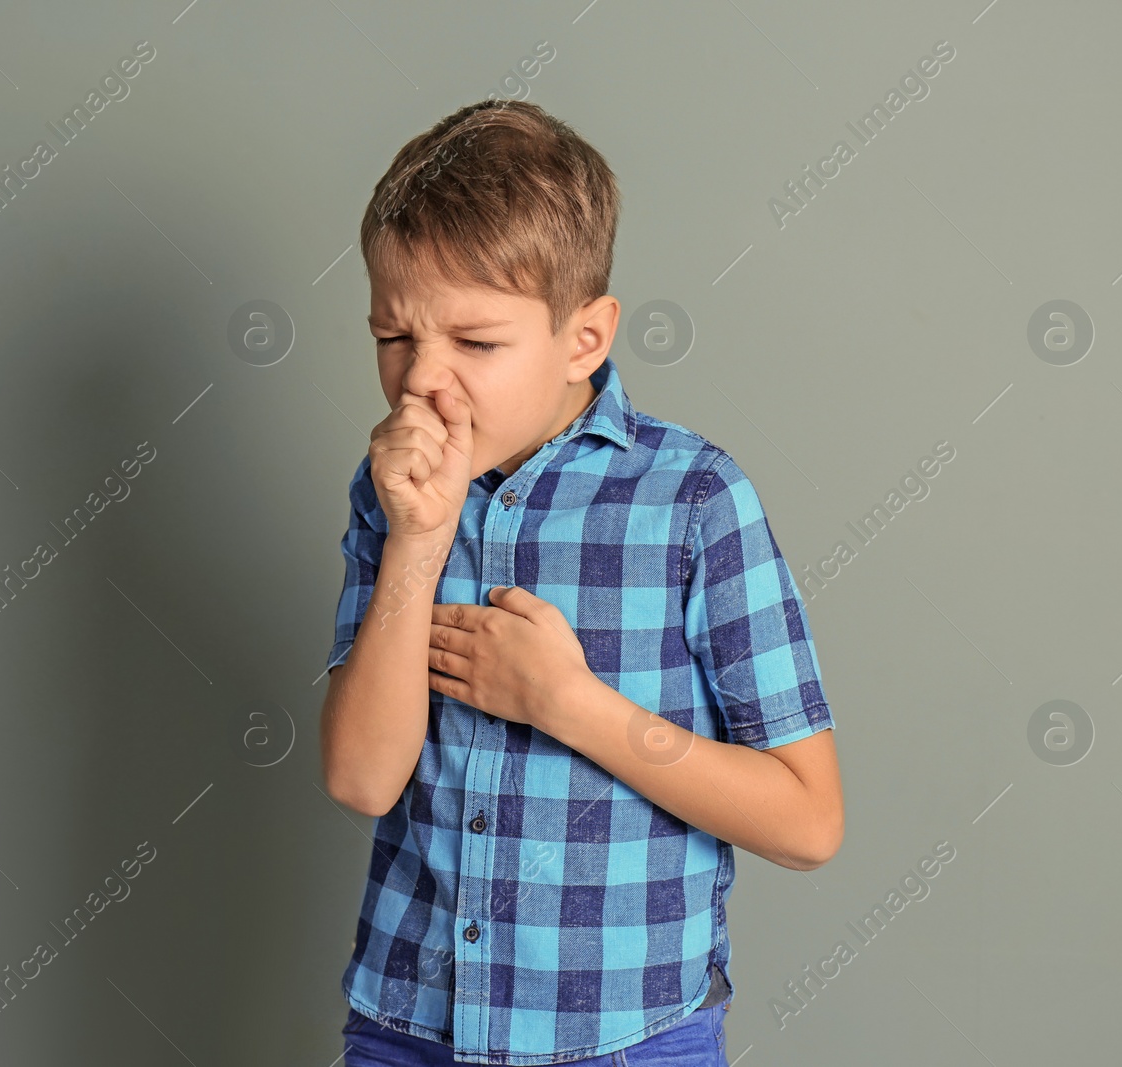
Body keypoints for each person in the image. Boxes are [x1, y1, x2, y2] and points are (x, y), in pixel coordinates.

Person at [320, 98, 843, 1066]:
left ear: (584, 338)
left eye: (474, 343)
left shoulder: (692, 498)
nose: (421, 381)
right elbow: (361, 774)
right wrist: (417, 541)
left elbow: (806, 821)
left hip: (628, 1037)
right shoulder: (390, 491)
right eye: (393, 336)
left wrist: (569, 703)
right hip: (409, 1027)